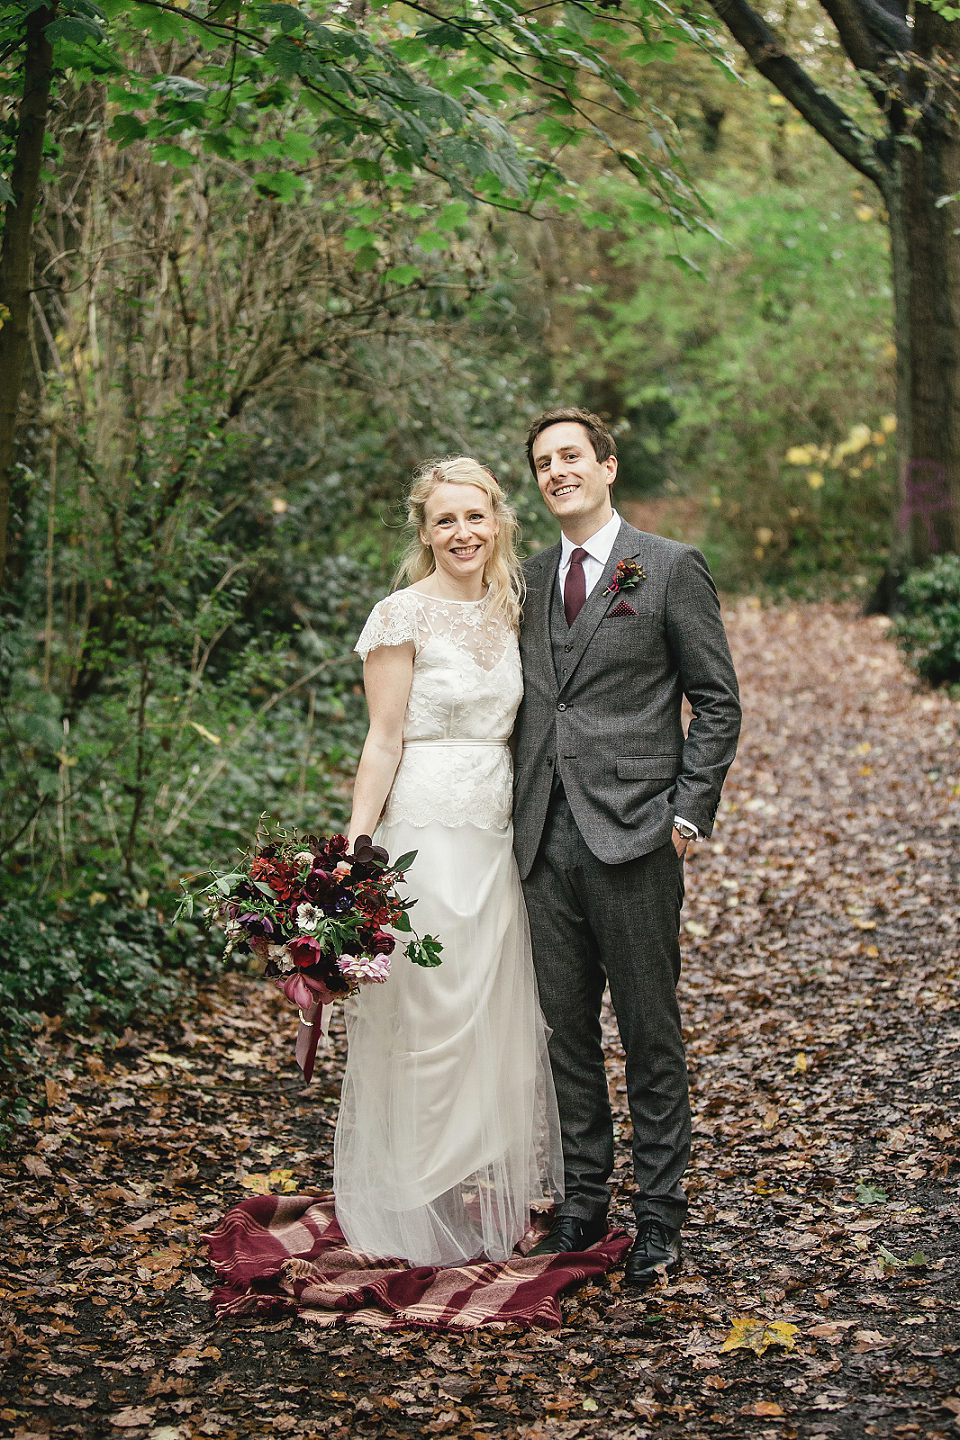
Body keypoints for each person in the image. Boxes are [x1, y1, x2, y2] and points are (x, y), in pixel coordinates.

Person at [512, 408, 741, 1286]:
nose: (558, 472)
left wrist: (688, 812)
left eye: (572, 456)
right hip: (541, 836)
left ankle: (660, 1217)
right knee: (565, 1034)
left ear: (607, 466)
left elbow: (716, 699)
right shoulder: (526, 579)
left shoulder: (670, 567)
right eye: (543, 463)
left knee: (649, 1033)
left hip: (639, 833)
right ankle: (581, 1204)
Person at [335, 457, 563, 1268]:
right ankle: (409, 1199)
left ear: (498, 520)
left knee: (489, 1023)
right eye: (445, 521)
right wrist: (359, 847)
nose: (462, 533)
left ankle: (472, 1195)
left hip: (498, 835)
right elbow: (383, 739)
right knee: (425, 1014)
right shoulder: (400, 616)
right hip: (425, 831)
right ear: (424, 532)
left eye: (476, 517)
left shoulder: (516, 609)